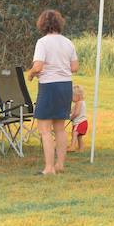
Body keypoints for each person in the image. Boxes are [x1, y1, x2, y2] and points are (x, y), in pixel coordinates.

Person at [26, 9, 78, 176]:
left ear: (42, 24)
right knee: (60, 128)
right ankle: (60, 165)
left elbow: (38, 66)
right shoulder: (68, 42)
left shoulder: (43, 43)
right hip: (66, 86)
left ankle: (49, 169)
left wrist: (32, 73)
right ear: (59, 23)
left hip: (49, 86)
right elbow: (75, 67)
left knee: (44, 129)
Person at [68, 84, 88, 152]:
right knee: (79, 137)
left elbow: (76, 113)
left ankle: (72, 147)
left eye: (72, 96)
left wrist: (70, 117)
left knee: (74, 134)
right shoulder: (81, 102)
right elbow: (72, 111)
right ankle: (81, 149)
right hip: (83, 122)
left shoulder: (79, 103)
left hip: (79, 122)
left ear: (78, 96)